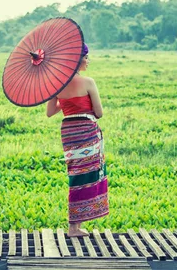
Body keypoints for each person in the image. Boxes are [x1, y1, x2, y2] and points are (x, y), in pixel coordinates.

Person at [46, 43, 108, 237]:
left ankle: (75, 225)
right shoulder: (88, 82)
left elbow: (50, 112)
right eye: (86, 57)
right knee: (87, 174)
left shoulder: (58, 84)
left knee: (76, 175)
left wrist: (63, 99)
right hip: (86, 130)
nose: (88, 61)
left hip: (69, 132)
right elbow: (99, 113)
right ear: (78, 59)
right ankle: (74, 227)